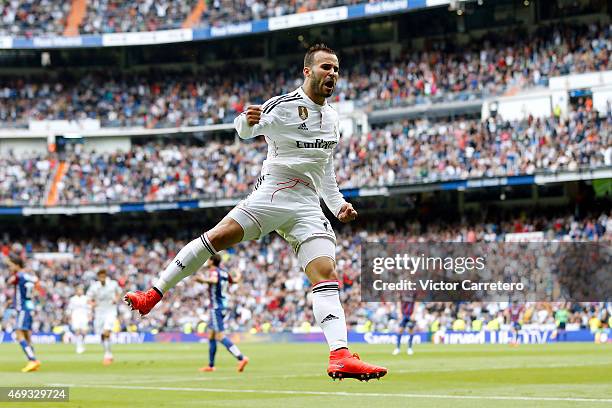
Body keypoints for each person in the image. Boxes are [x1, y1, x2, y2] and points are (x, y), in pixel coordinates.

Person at [125, 43, 387, 381]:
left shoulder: (333, 119)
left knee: (325, 274)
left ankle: (339, 355)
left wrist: (337, 205)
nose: (332, 74)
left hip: (307, 206)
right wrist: (245, 121)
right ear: (307, 71)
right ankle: (152, 294)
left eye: (336, 68)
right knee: (216, 238)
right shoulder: (283, 106)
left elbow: (325, 168)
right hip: (274, 193)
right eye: (325, 67)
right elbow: (247, 128)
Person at [195, 254, 248, 372]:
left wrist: (202, 280)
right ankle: (211, 365)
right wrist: (239, 274)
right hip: (223, 306)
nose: (207, 261)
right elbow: (234, 281)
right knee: (211, 335)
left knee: (219, 336)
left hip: (216, 307)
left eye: (208, 259)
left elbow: (213, 280)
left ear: (212, 261)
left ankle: (241, 358)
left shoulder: (213, 271)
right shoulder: (224, 271)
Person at [6, 256, 41, 372]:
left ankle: (32, 359)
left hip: (22, 309)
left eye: (11, 265)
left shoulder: (19, 276)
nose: (10, 268)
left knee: (18, 332)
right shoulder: (29, 276)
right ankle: (32, 361)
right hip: (29, 306)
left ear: (17, 265)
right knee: (27, 335)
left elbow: (10, 281)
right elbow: (34, 286)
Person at [87, 269, 121, 365]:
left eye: (103, 276)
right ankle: (108, 352)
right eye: (100, 276)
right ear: (98, 277)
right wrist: (92, 304)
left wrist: (116, 299)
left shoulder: (113, 284)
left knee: (107, 332)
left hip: (110, 311)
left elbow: (119, 293)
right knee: (102, 335)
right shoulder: (94, 287)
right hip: (99, 313)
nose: (102, 278)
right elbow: (88, 299)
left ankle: (107, 355)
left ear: (106, 276)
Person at [68, 285, 90, 354]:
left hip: (84, 316)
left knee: (84, 332)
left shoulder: (86, 298)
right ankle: (78, 346)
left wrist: (89, 315)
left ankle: (82, 343)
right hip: (76, 316)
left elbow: (89, 307)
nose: (81, 291)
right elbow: (70, 309)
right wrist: (70, 317)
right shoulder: (73, 299)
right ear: (76, 291)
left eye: (81, 290)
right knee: (77, 331)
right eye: (79, 290)